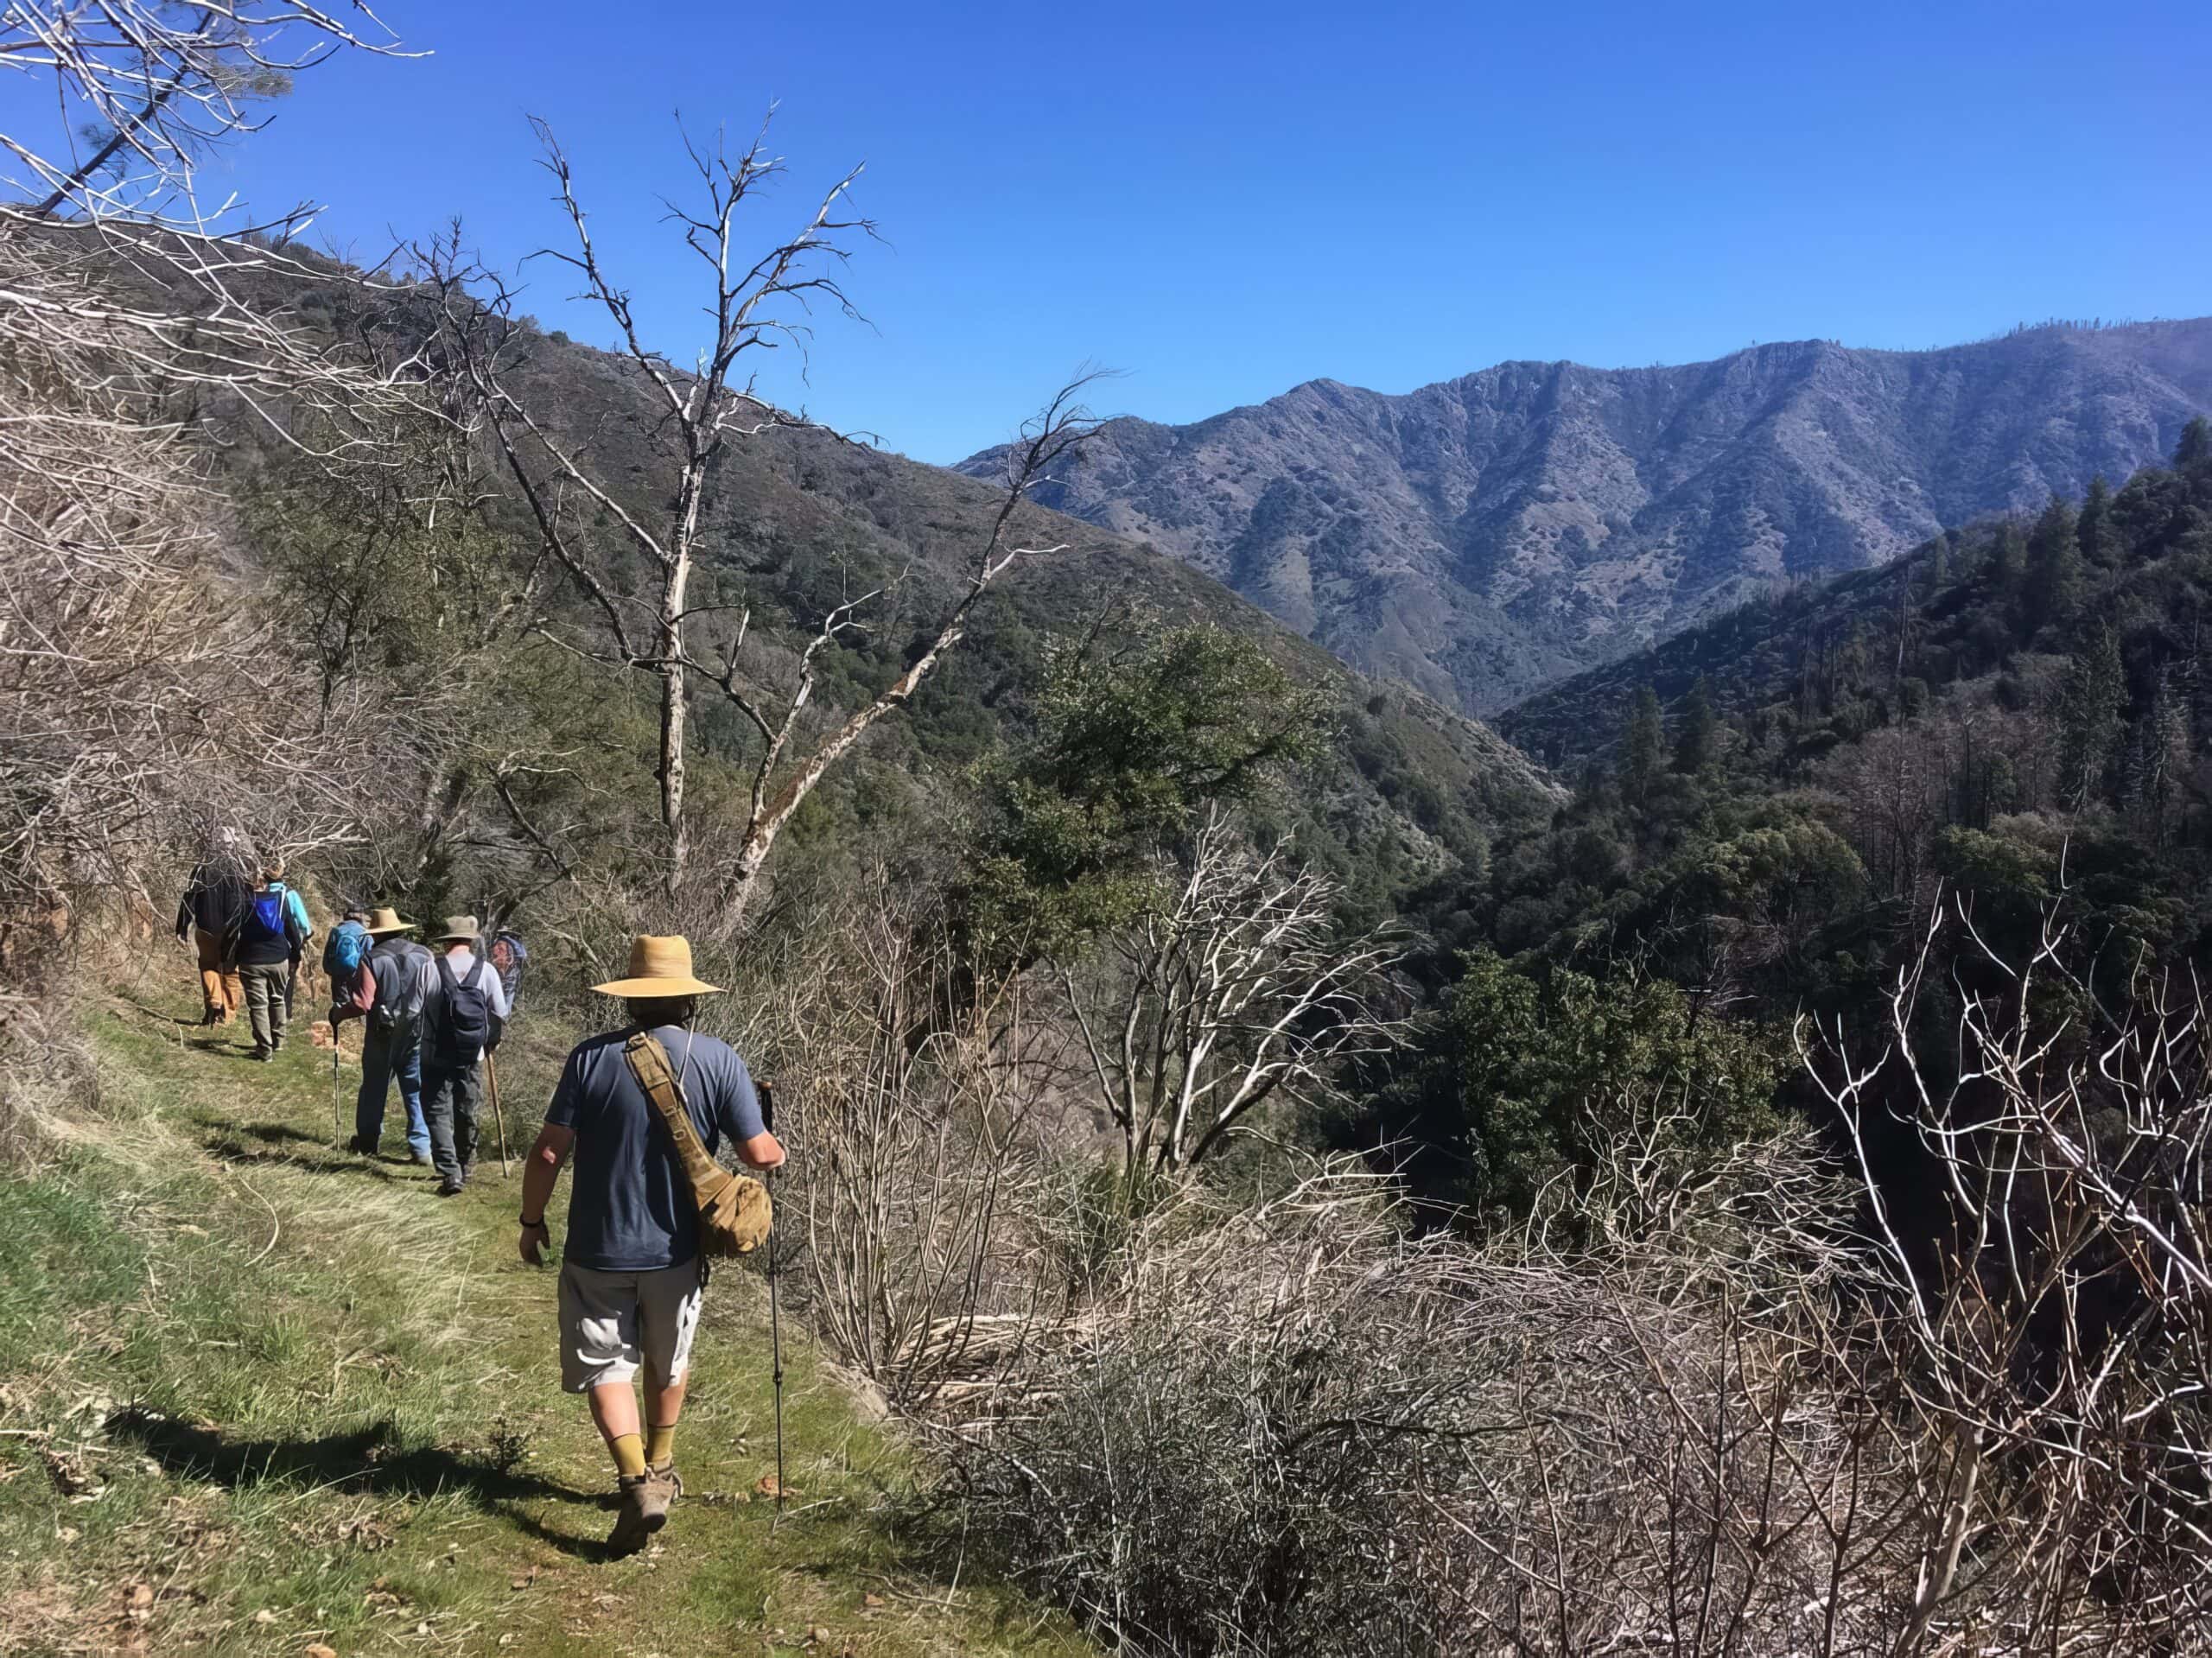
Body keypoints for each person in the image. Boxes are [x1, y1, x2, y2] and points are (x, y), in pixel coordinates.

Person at [517, 934, 785, 1556]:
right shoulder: (719, 1058)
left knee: (606, 1365)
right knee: (669, 1360)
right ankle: (660, 1466)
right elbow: (759, 1154)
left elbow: (550, 1150)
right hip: (676, 1251)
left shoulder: (588, 1058)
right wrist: (777, 1141)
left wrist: (532, 1221)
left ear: (631, 999)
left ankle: (636, 1479)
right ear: (689, 999)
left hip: (595, 1246)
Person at [418, 915, 510, 1197]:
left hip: (435, 1051)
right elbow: (500, 1013)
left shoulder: (430, 968)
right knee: (467, 1105)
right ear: (470, 941)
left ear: (445, 941)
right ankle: (466, 1162)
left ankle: (449, 1171)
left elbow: (412, 1009)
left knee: (436, 1108)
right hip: (473, 1053)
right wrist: (490, 1041)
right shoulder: (487, 971)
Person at [353, 907, 433, 1165]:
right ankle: (422, 1147)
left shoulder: (371, 958)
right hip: (417, 1031)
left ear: (376, 934)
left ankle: (368, 1141)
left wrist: (336, 1015)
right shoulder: (424, 954)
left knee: (374, 1087)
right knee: (415, 1088)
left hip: (382, 1033)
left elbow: (363, 1003)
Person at [226, 861, 308, 1061]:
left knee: (258, 1006)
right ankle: (279, 1041)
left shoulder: (243, 902)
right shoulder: (280, 899)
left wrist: (227, 957)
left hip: (251, 959)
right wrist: (295, 954)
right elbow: (291, 929)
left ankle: (265, 1049)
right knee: (278, 998)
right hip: (279, 957)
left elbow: (232, 933)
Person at [175, 842, 250, 1026]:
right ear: (233, 846)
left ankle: (214, 1005)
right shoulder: (240, 867)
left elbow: (189, 898)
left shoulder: (202, 868)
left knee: (208, 966)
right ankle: (228, 1015)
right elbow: (248, 900)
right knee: (231, 971)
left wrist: (182, 928)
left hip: (206, 927)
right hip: (233, 929)